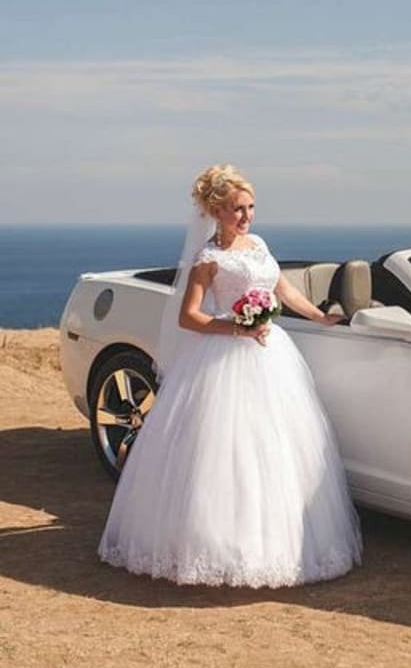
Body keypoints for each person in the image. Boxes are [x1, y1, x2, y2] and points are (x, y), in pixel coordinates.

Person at [98, 164, 362, 587]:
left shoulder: (258, 244)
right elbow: (189, 317)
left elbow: (283, 290)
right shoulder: (208, 258)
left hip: (270, 356)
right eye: (239, 209)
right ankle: (215, 546)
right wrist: (237, 328)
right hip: (221, 359)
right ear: (217, 211)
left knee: (275, 447)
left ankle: (278, 546)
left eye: (251, 207)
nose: (247, 216)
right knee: (219, 452)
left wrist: (319, 315)